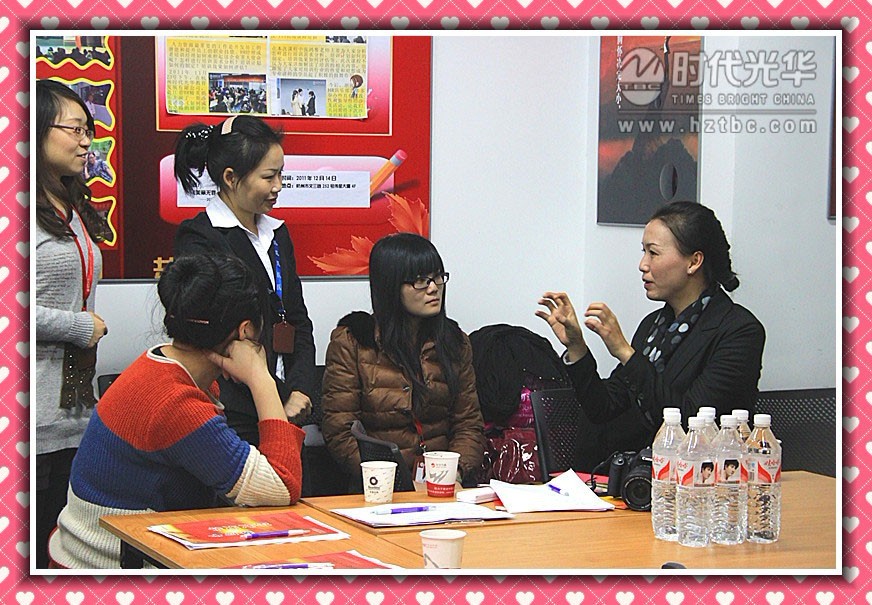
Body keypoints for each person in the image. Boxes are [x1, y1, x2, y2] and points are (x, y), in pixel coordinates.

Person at [48, 254, 306, 568]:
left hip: (93, 551)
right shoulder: (174, 401)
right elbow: (281, 485)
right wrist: (261, 378)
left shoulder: (160, 365)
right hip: (108, 568)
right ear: (246, 330)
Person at [536, 201, 765, 459]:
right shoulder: (653, 326)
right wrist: (576, 347)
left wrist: (625, 352)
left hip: (699, 474)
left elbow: (691, 423)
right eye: (643, 252)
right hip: (636, 469)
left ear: (694, 262)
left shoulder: (739, 331)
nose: (643, 264)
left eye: (653, 253)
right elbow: (604, 407)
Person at [174, 115, 316, 447]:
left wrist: (300, 388)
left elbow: (296, 317)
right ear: (230, 177)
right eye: (268, 176)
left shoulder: (277, 233)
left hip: (288, 405)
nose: (278, 186)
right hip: (232, 410)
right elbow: (214, 336)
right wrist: (276, 395)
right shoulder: (200, 238)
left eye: (281, 174)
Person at [321, 232, 486, 488]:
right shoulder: (353, 342)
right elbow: (340, 431)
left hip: (443, 483)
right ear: (390, 286)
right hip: (379, 487)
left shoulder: (454, 342)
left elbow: (468, 424)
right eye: (420, 281)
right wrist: (395, 483)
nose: (433, 288)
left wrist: (454, 473)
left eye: (437, 277)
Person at [34, 78, 111, 569]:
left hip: (73, 410)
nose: (86, 143)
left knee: (60, 550)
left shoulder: (70, 203)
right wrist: (79, 327)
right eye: (75, 129)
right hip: (28, 416)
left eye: (89, 131)